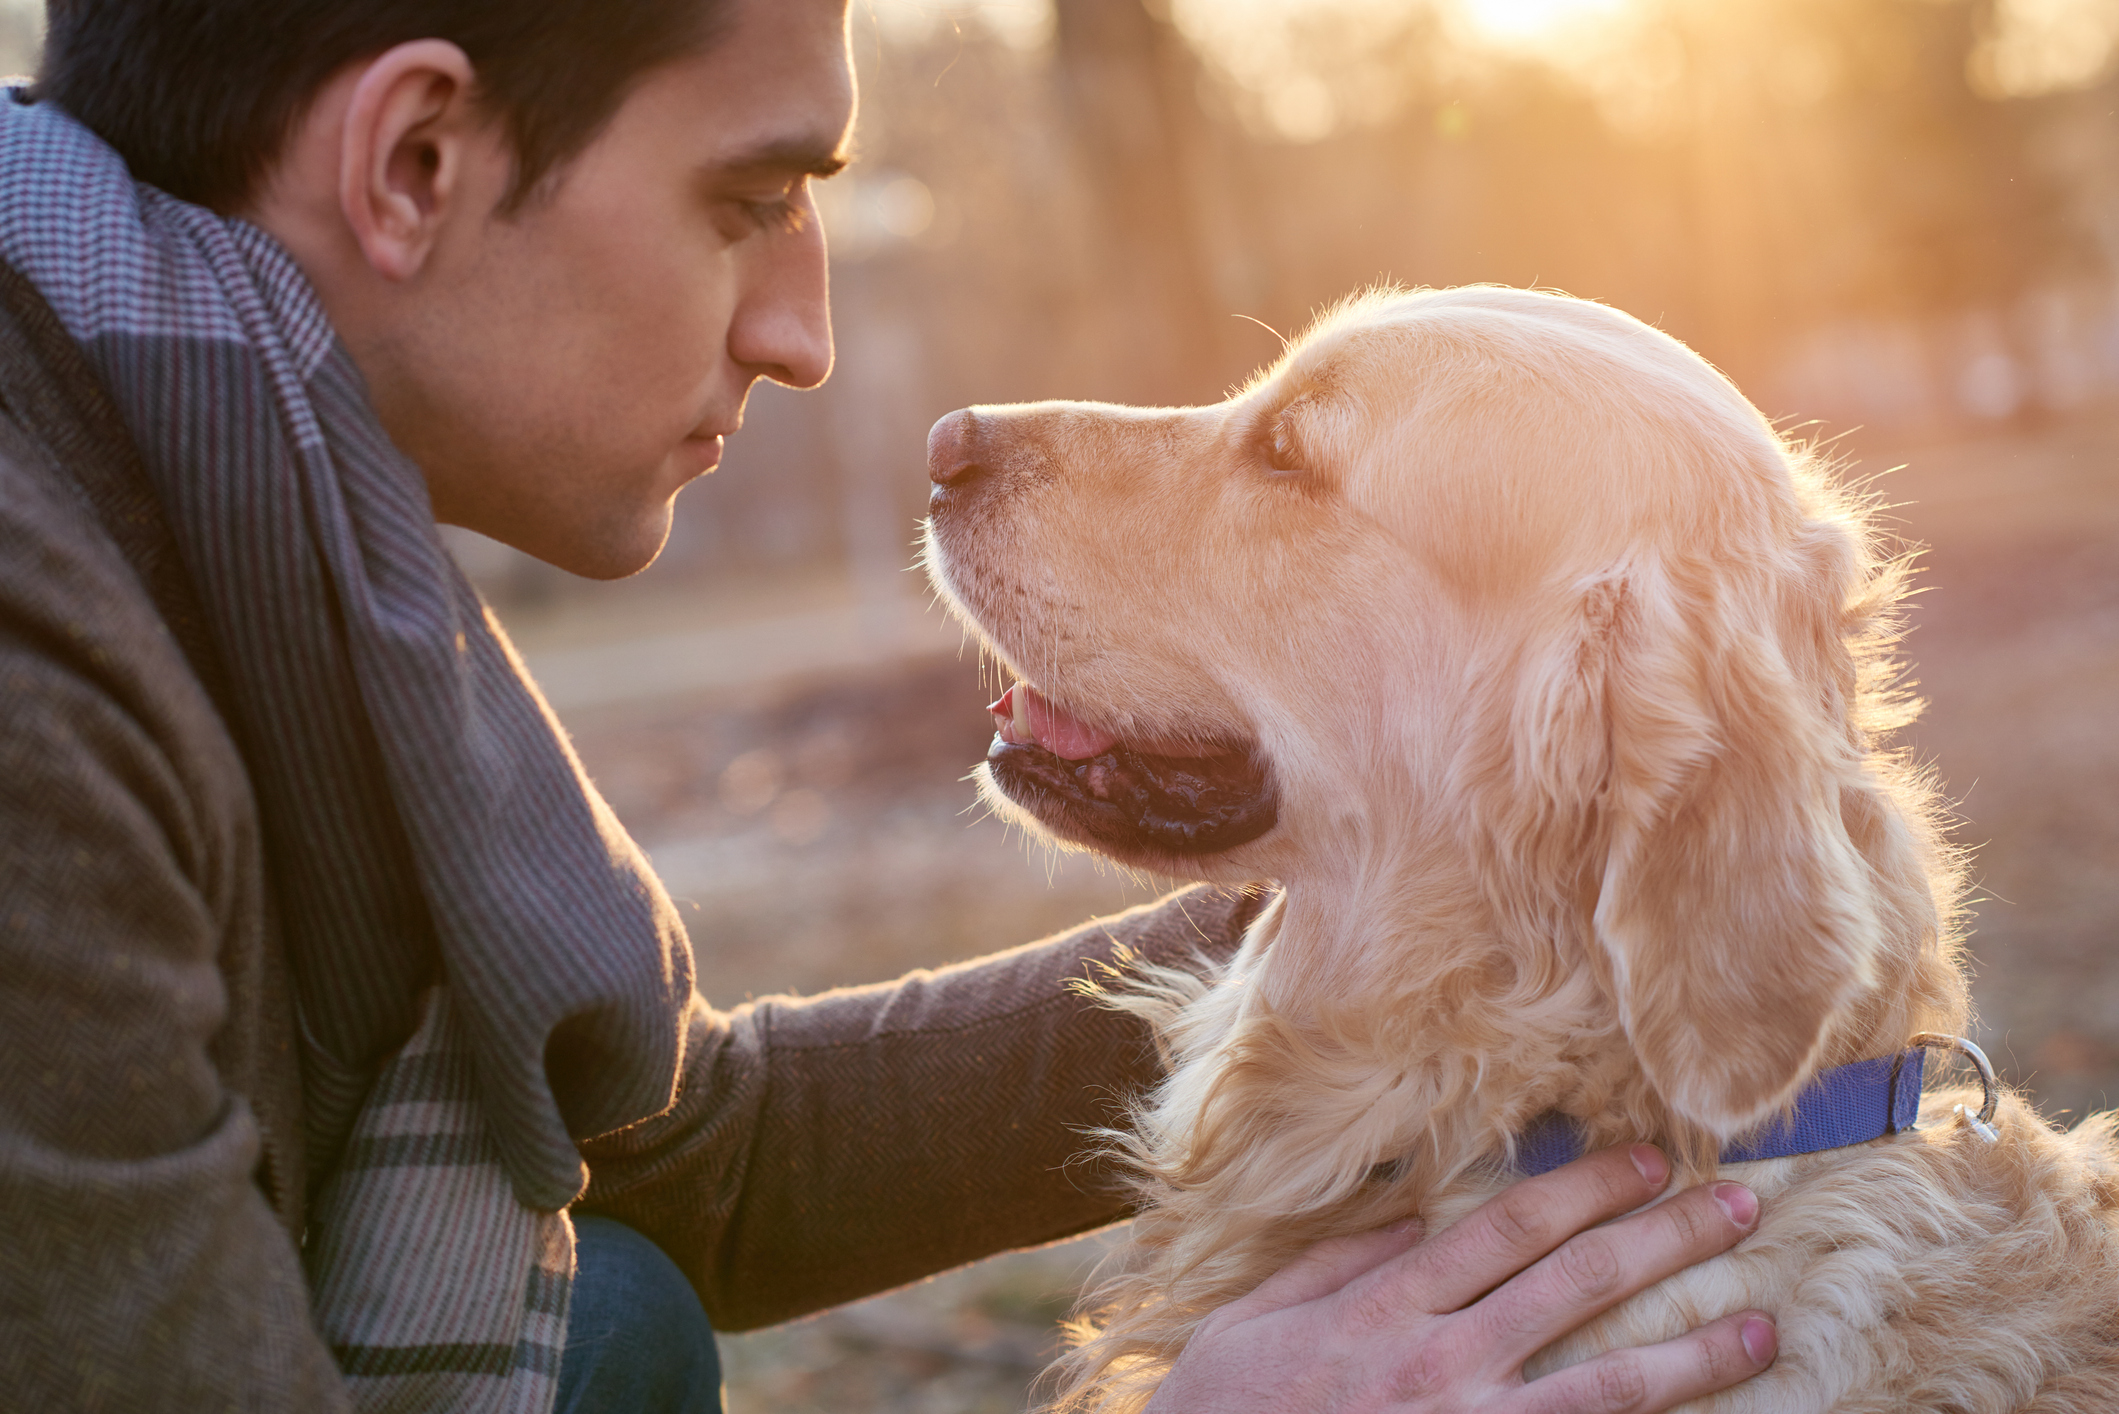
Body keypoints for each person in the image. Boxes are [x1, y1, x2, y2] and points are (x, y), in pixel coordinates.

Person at [0, 0, 1779, 1409]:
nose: (806, 329)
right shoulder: (38, 702)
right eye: (749, 200)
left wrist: (1451, 911)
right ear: (413, 160)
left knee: (606, 1310)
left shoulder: (236, 484)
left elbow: (699, 1165)